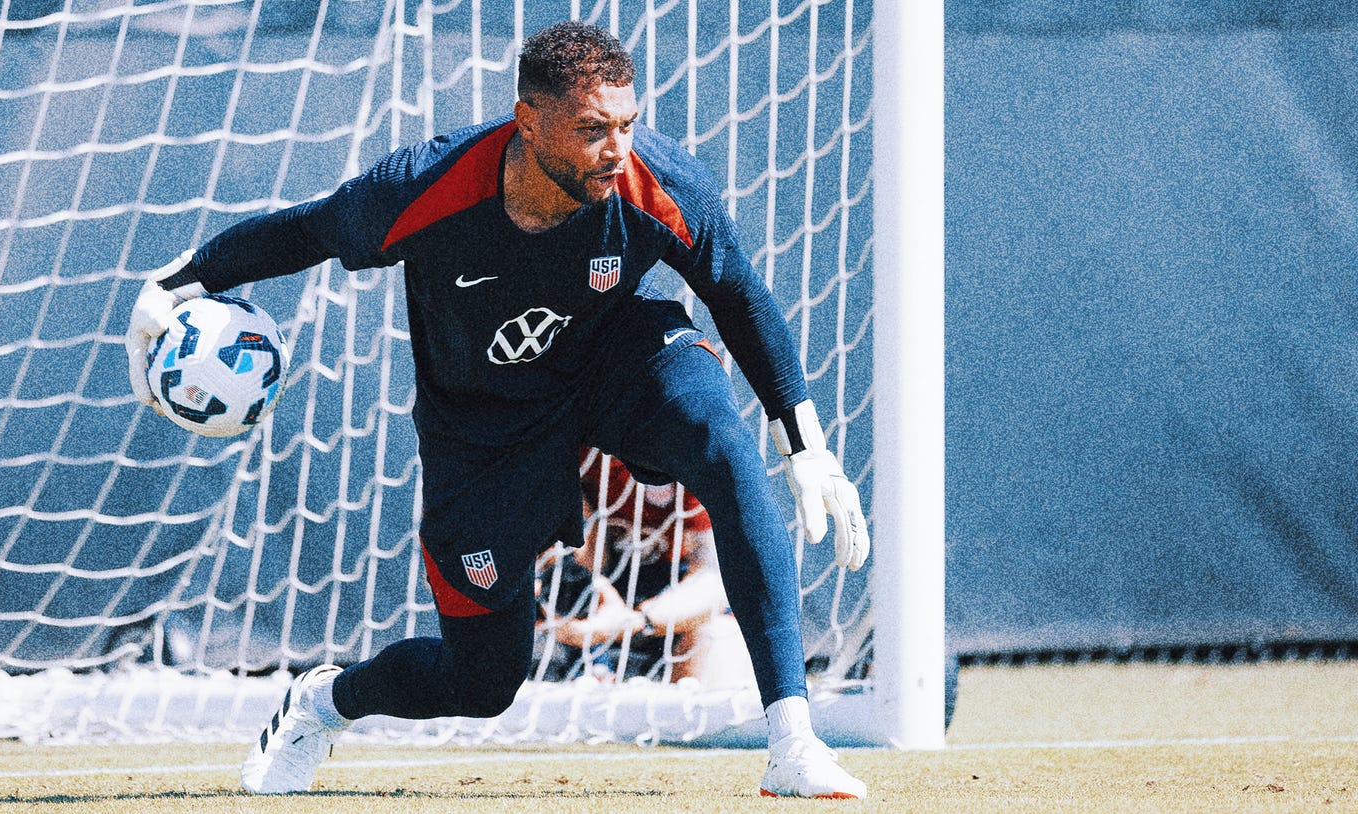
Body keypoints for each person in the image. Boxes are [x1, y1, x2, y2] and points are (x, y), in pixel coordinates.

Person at [125, 20, 871, 799]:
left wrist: (805, 446)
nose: (616, 149)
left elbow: (737, 294)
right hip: (483, 428)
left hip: (617, 355)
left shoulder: (656, 185)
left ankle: (793, 741)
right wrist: (184, 281)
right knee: (482, 683)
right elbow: (307, 232)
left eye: (625, 125)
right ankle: (323, 704)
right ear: (527, 120)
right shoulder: (422, 187)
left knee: (725, 445)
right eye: (591, 130)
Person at [533, 447, 756, 690]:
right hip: (595, 587)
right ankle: (590, 667)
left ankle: (684, 709)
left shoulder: (692, 454)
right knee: (566, 506)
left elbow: (716, 577)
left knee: (723, 637)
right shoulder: (580, 445)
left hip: (668, 593)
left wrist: (637, 622)